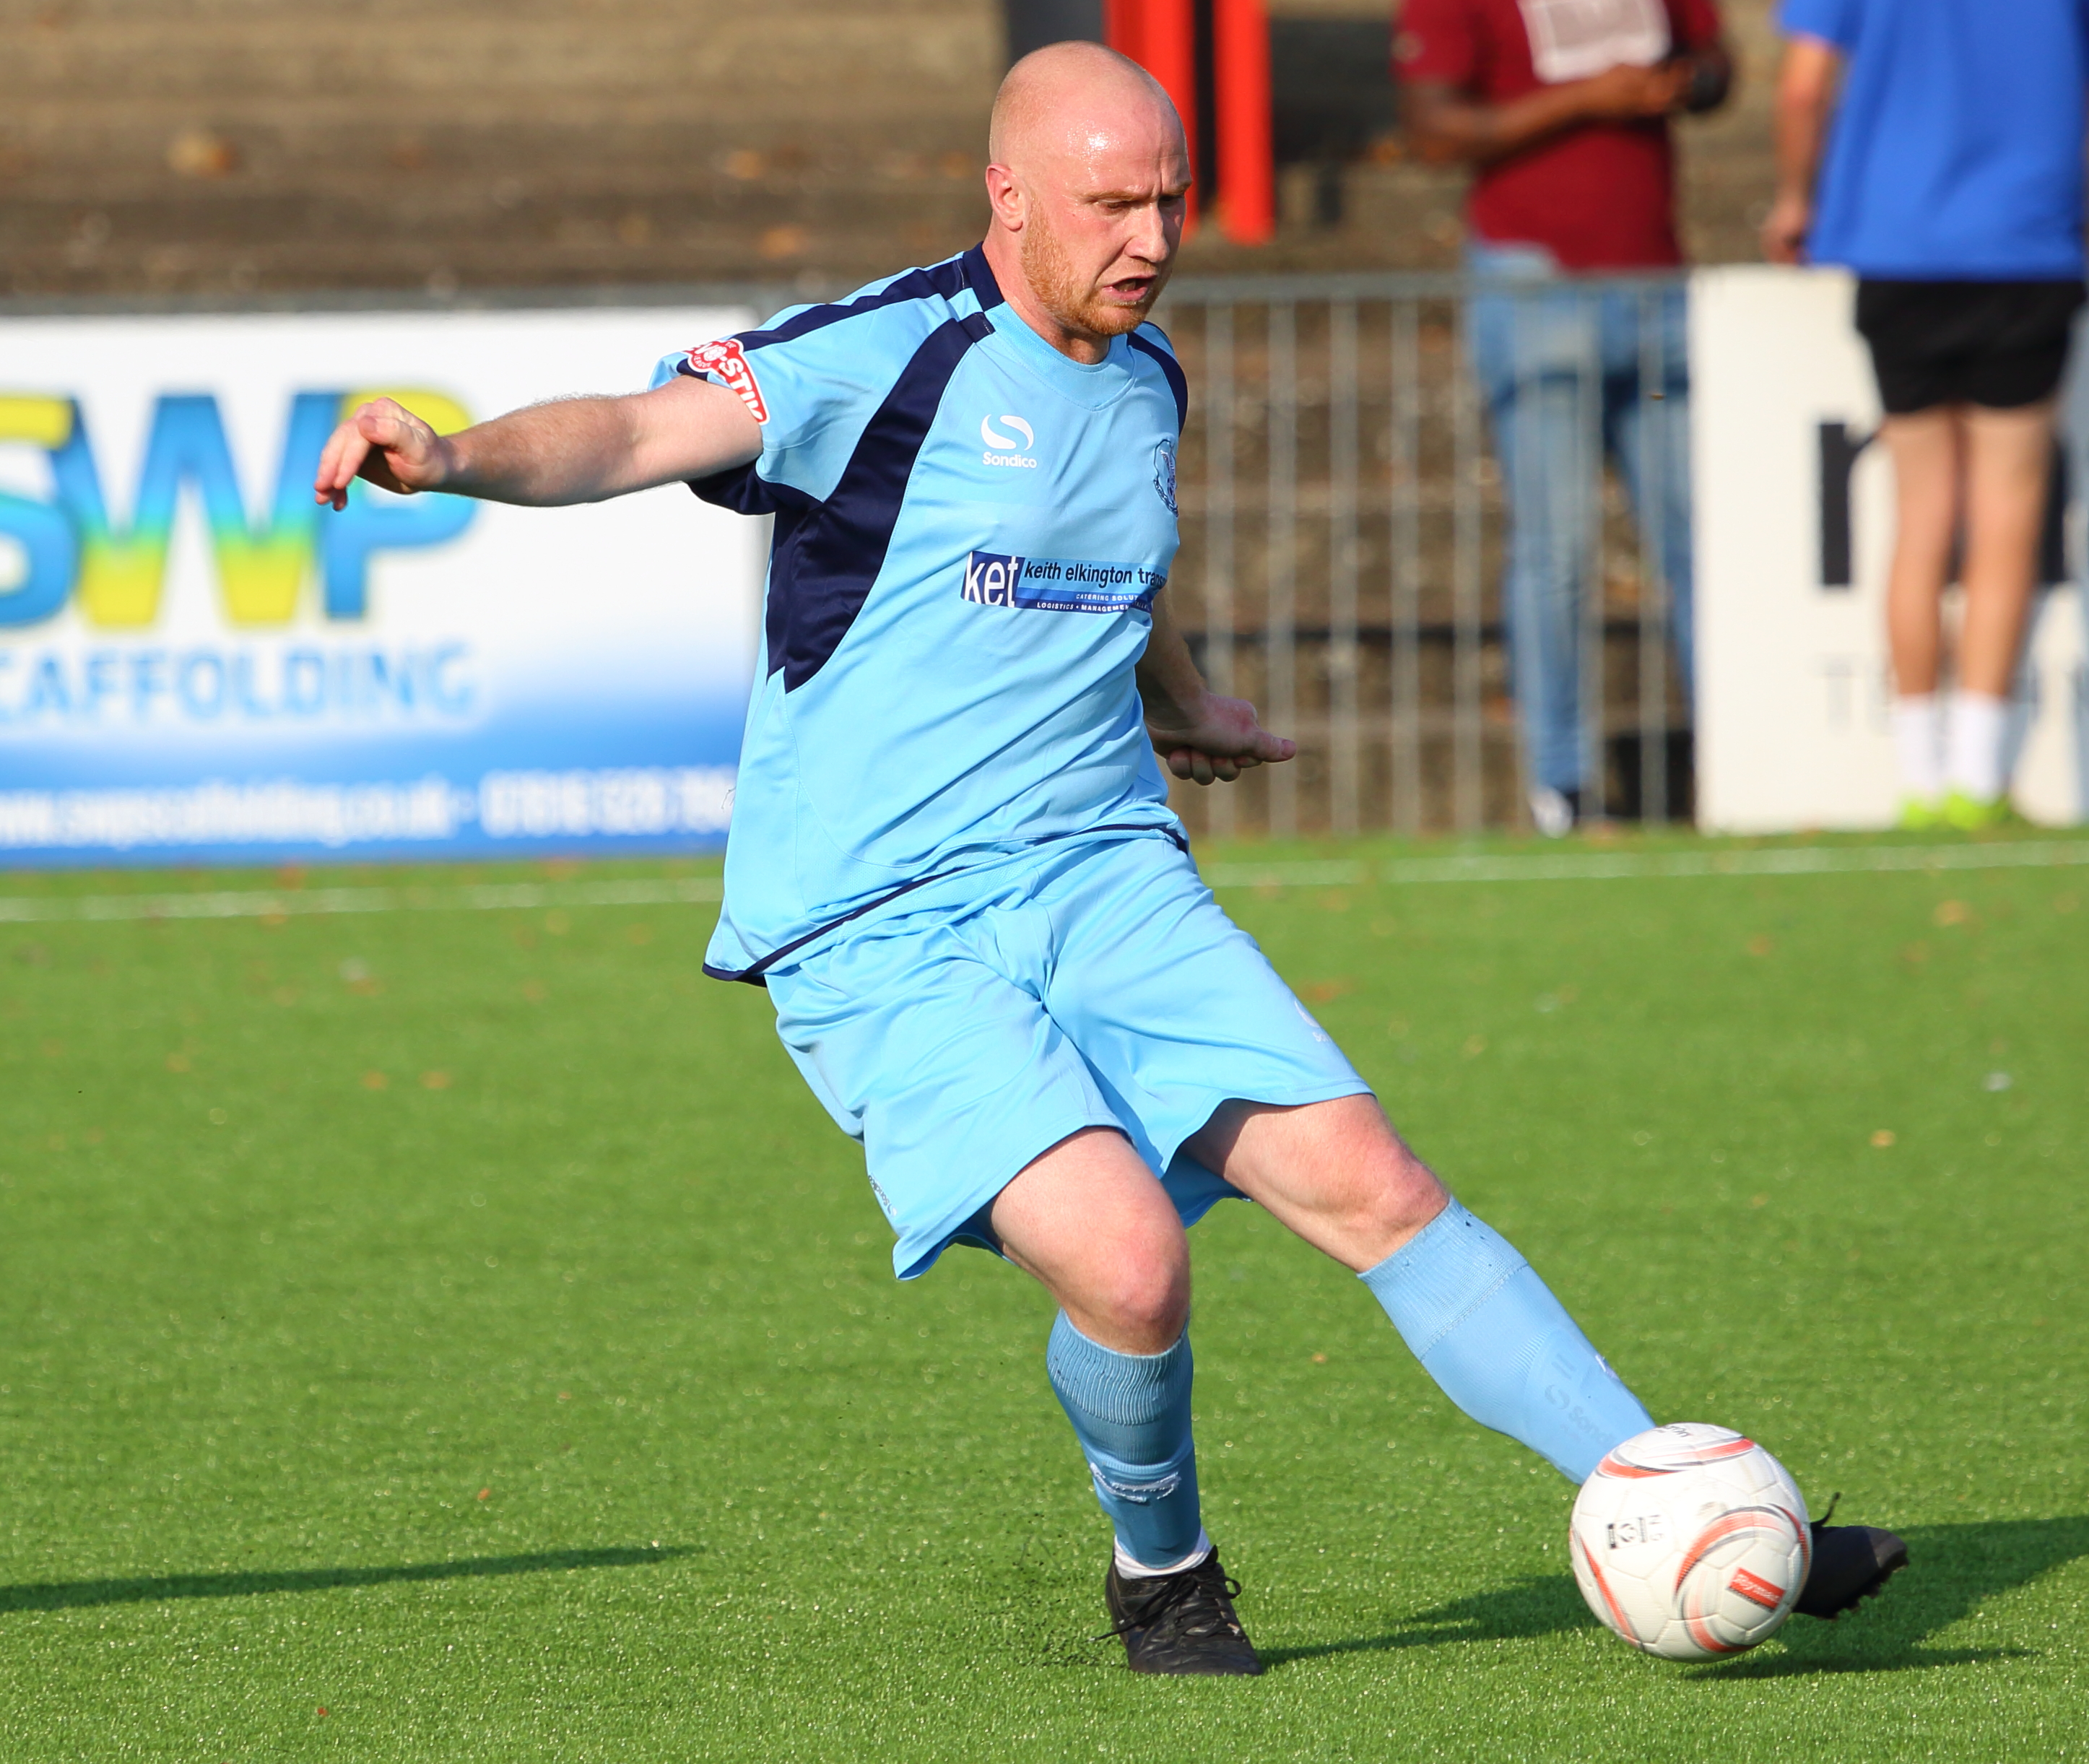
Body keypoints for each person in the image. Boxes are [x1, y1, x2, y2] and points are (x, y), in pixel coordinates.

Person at [314, 42, 1901, 1675]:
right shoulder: (892, 355)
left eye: (1169, 198)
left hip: (1103, 871)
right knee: (1130, 1266)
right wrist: (451, 457)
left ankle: (1683, 1501)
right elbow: (634, 434)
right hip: (883, 923)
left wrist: (1185, 694)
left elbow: (1111, 555)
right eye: (1109, 202)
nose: (1148, 236)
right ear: (1007, 196)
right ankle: (1164, 1569)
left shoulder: (1146, 378)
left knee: (1378, 1187)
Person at [1397, 0, 1732, 835]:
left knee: (1704, 546)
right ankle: (1566, 785)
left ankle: (1737, 763)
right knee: (1556, 548)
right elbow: (1434, 129)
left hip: (1655, 275)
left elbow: (1717, 62)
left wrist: (1682, 82)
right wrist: (1586, 99)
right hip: (1534, 274)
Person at [1763, 0, 2089, 832]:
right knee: (2005, 516)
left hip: (1897, 246)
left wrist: (1794, 200)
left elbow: (1801, 89)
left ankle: (1919, 770)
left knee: (1920, 515)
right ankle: (1976, 777)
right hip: (2023, 248)